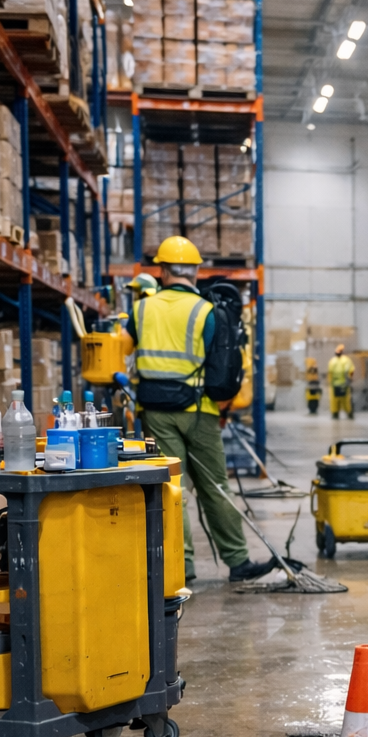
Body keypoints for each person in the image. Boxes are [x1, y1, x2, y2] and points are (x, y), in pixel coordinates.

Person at [132, 235, 272, 584]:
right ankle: (237, 560)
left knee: (171, 488)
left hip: (155, 410)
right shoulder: (206, 311)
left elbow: (132, 347)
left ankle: (183, 566)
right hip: (199, 409)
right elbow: (218, 364)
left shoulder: (140, 309)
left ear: (162, 270)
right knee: (215, 486)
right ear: (195, 271)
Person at [327, 344, 355, 419]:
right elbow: (330, 373)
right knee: (337, 400)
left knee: (344, 400)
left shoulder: (344, 360)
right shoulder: (334, 361)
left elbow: (351, 370)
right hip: (337, 384)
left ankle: (347, 413)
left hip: (343, 384)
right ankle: (336, 413)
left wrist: (350, 379)